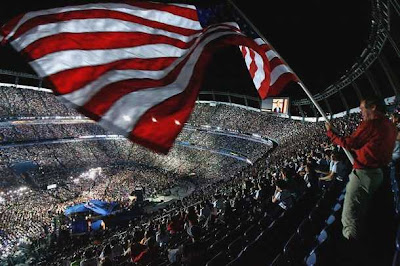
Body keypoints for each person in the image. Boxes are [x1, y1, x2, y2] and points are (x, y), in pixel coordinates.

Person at [325, 96, 396, 241]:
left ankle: (351, 248)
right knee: (362, 210)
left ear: (373, 107)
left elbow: (351, 143)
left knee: (350, 217)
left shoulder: (371, 124)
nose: (360, 112)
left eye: (362, 108)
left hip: (364, 174)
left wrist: (331, 133)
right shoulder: (389, 125)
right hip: (378, 173)